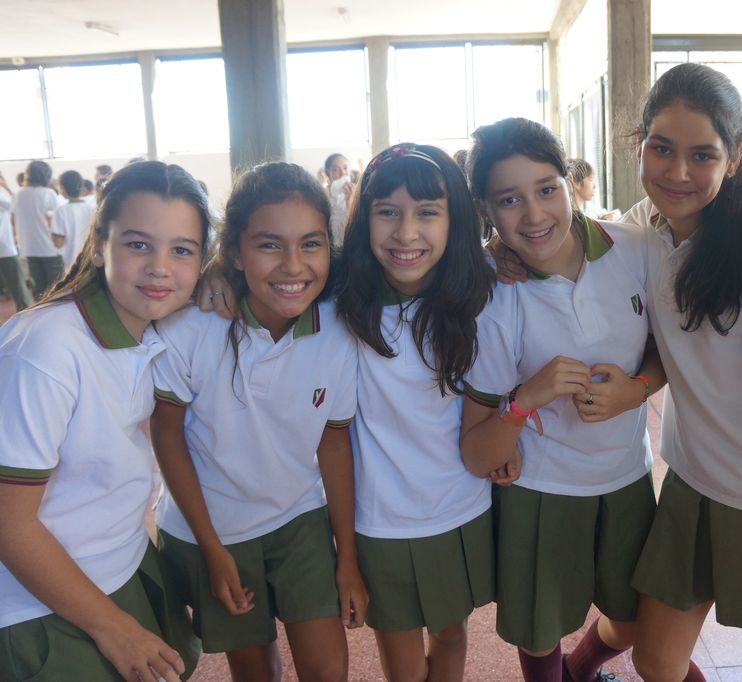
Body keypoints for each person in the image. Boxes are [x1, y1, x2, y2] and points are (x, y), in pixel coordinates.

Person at [460, 117, 662, 682]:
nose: (534, 214)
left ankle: (583, 668)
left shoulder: (635, 250)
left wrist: (637, 390)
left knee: (635, 620)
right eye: (509, 200)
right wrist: (526, 398)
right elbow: (478, 447)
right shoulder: (491, 291)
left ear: (571, 183)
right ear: (486, 211)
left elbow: (672, 350)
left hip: (626, 478)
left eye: (546, 189)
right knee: (537, 629)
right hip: (540, 489)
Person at [150, 162, 363, 682]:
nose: (293, 265)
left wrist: (347, 558)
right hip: (212, 527)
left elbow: (334, 443)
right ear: (235, 253)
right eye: (269, 245)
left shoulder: (339, 329)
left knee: (328, 670)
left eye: (311, 244)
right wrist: (211, 547)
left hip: (299, 519)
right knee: (254, 669)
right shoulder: (191, 328)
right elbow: (166, 434)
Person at [0, 161, 209, 682]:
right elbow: (8, 523)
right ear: (98, 246)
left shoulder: (151, 324)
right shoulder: (46, 350)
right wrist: (114, 627)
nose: (160, 267)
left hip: (122, 559)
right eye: (138, 245)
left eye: (182, 250)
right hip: (40, 601)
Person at [620, 63, 742, 682]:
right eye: (662, 148)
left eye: (702, 155)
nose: (678, 172)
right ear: (639, 144)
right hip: (693, 480)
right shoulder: (641, 227)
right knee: (655, 660)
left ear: (735, 157)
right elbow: (563, 249)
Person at [333, 143, 500, 682]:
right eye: (388, 212)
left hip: (460, 505)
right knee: (401, 654)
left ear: (456, 220)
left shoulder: (482, 292)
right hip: (379, 518)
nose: (406, 233)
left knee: (451, 634)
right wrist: (220, 272)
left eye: (427, 212)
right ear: (364, 218)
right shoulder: (340, 301)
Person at [10, 160, 62, 299]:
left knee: (38, 291)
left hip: (28, 249)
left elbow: (13, 221)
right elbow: (58, 219)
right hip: (50, 249)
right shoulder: (48, 193)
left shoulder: (18, 194)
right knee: (56, 290)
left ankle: (40, 312)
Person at [52, 170, 96, 269]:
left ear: (62, 188)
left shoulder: (61, 211)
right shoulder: (92, 208)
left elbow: (58, 243)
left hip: (70, 260)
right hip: (90, 257)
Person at [0, 171, 31, 310]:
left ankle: (23, 309)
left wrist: (6, 187)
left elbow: (17, 206)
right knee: (15, 284)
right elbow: (17, 205)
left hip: (5, 248)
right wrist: (6, 187)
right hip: (5, 248)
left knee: (16, 283)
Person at [324, 153, 354, 247]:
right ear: (328, 174)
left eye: (345, 168)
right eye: (336, 169)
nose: (343, 173)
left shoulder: (358, 195)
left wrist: (349, 202)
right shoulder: (323, 198)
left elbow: (357, 227)